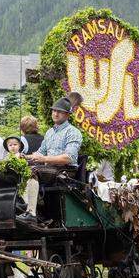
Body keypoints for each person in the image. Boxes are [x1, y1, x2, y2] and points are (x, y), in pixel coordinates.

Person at [17, 94, 83, 224]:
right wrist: (25, 156)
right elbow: (39, 153)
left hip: (65, 171)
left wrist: (44, 159)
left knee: (32, 171)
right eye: (54, 110)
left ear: (67, 115)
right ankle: (29, 205)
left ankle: (31, 212)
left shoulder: (73, 132)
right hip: (49, 169)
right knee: (21, 168)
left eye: (60, 112)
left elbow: (69, 158)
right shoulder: (49, 132)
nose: (55, 114)